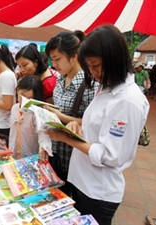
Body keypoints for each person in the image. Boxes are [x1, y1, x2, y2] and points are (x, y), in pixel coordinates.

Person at [45, 25, 149, 225]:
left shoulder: (128, 101)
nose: (93, 73)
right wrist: (77, 129)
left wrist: (67, 139)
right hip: (83, 181)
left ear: (114, 59)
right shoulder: (106, 88)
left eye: (96, 65)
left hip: (98, 191)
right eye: (89, 67)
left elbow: (111, 155)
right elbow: (97, 128)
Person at [44, 31, 99, 194]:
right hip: (56, 151)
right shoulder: (60, 78)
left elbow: (93, 122)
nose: (54, 64)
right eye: (52, 59)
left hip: (75, 157)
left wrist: (61, 117)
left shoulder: (90, 84)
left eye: (57, 59)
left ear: (74, 56)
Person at [9, 75, 52, 160]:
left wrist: (44, 148)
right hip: (13, 156)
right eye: (22, 95)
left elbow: (43, 135)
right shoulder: (14, 108)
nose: (24, 101)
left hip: (30, 159)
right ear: (17, 90)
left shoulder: (37, 113)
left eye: (29, 99)